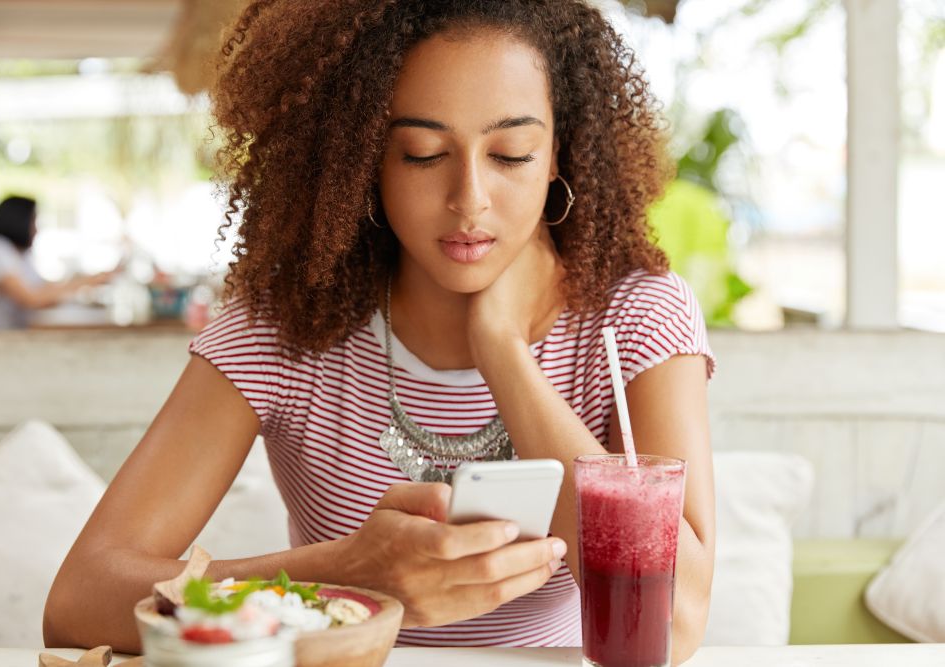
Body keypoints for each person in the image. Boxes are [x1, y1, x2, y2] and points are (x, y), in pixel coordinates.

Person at [44, 1, 716, 661]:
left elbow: (675, 622)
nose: (470, 198)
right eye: (423, 154)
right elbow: (78, 603)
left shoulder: (636, 317)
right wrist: (342, 573)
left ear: (557, 155)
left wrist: (502, 350)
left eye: (511, 154)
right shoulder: (285, 326)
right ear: (364, 158)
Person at [0, 196, 112, 329]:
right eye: (33, 222)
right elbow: (31, 299)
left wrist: (88, 281)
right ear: (18, 221)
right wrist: (84, 283)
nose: (36, 230)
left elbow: (43, 288)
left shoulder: (20, 254)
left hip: (7, 334)